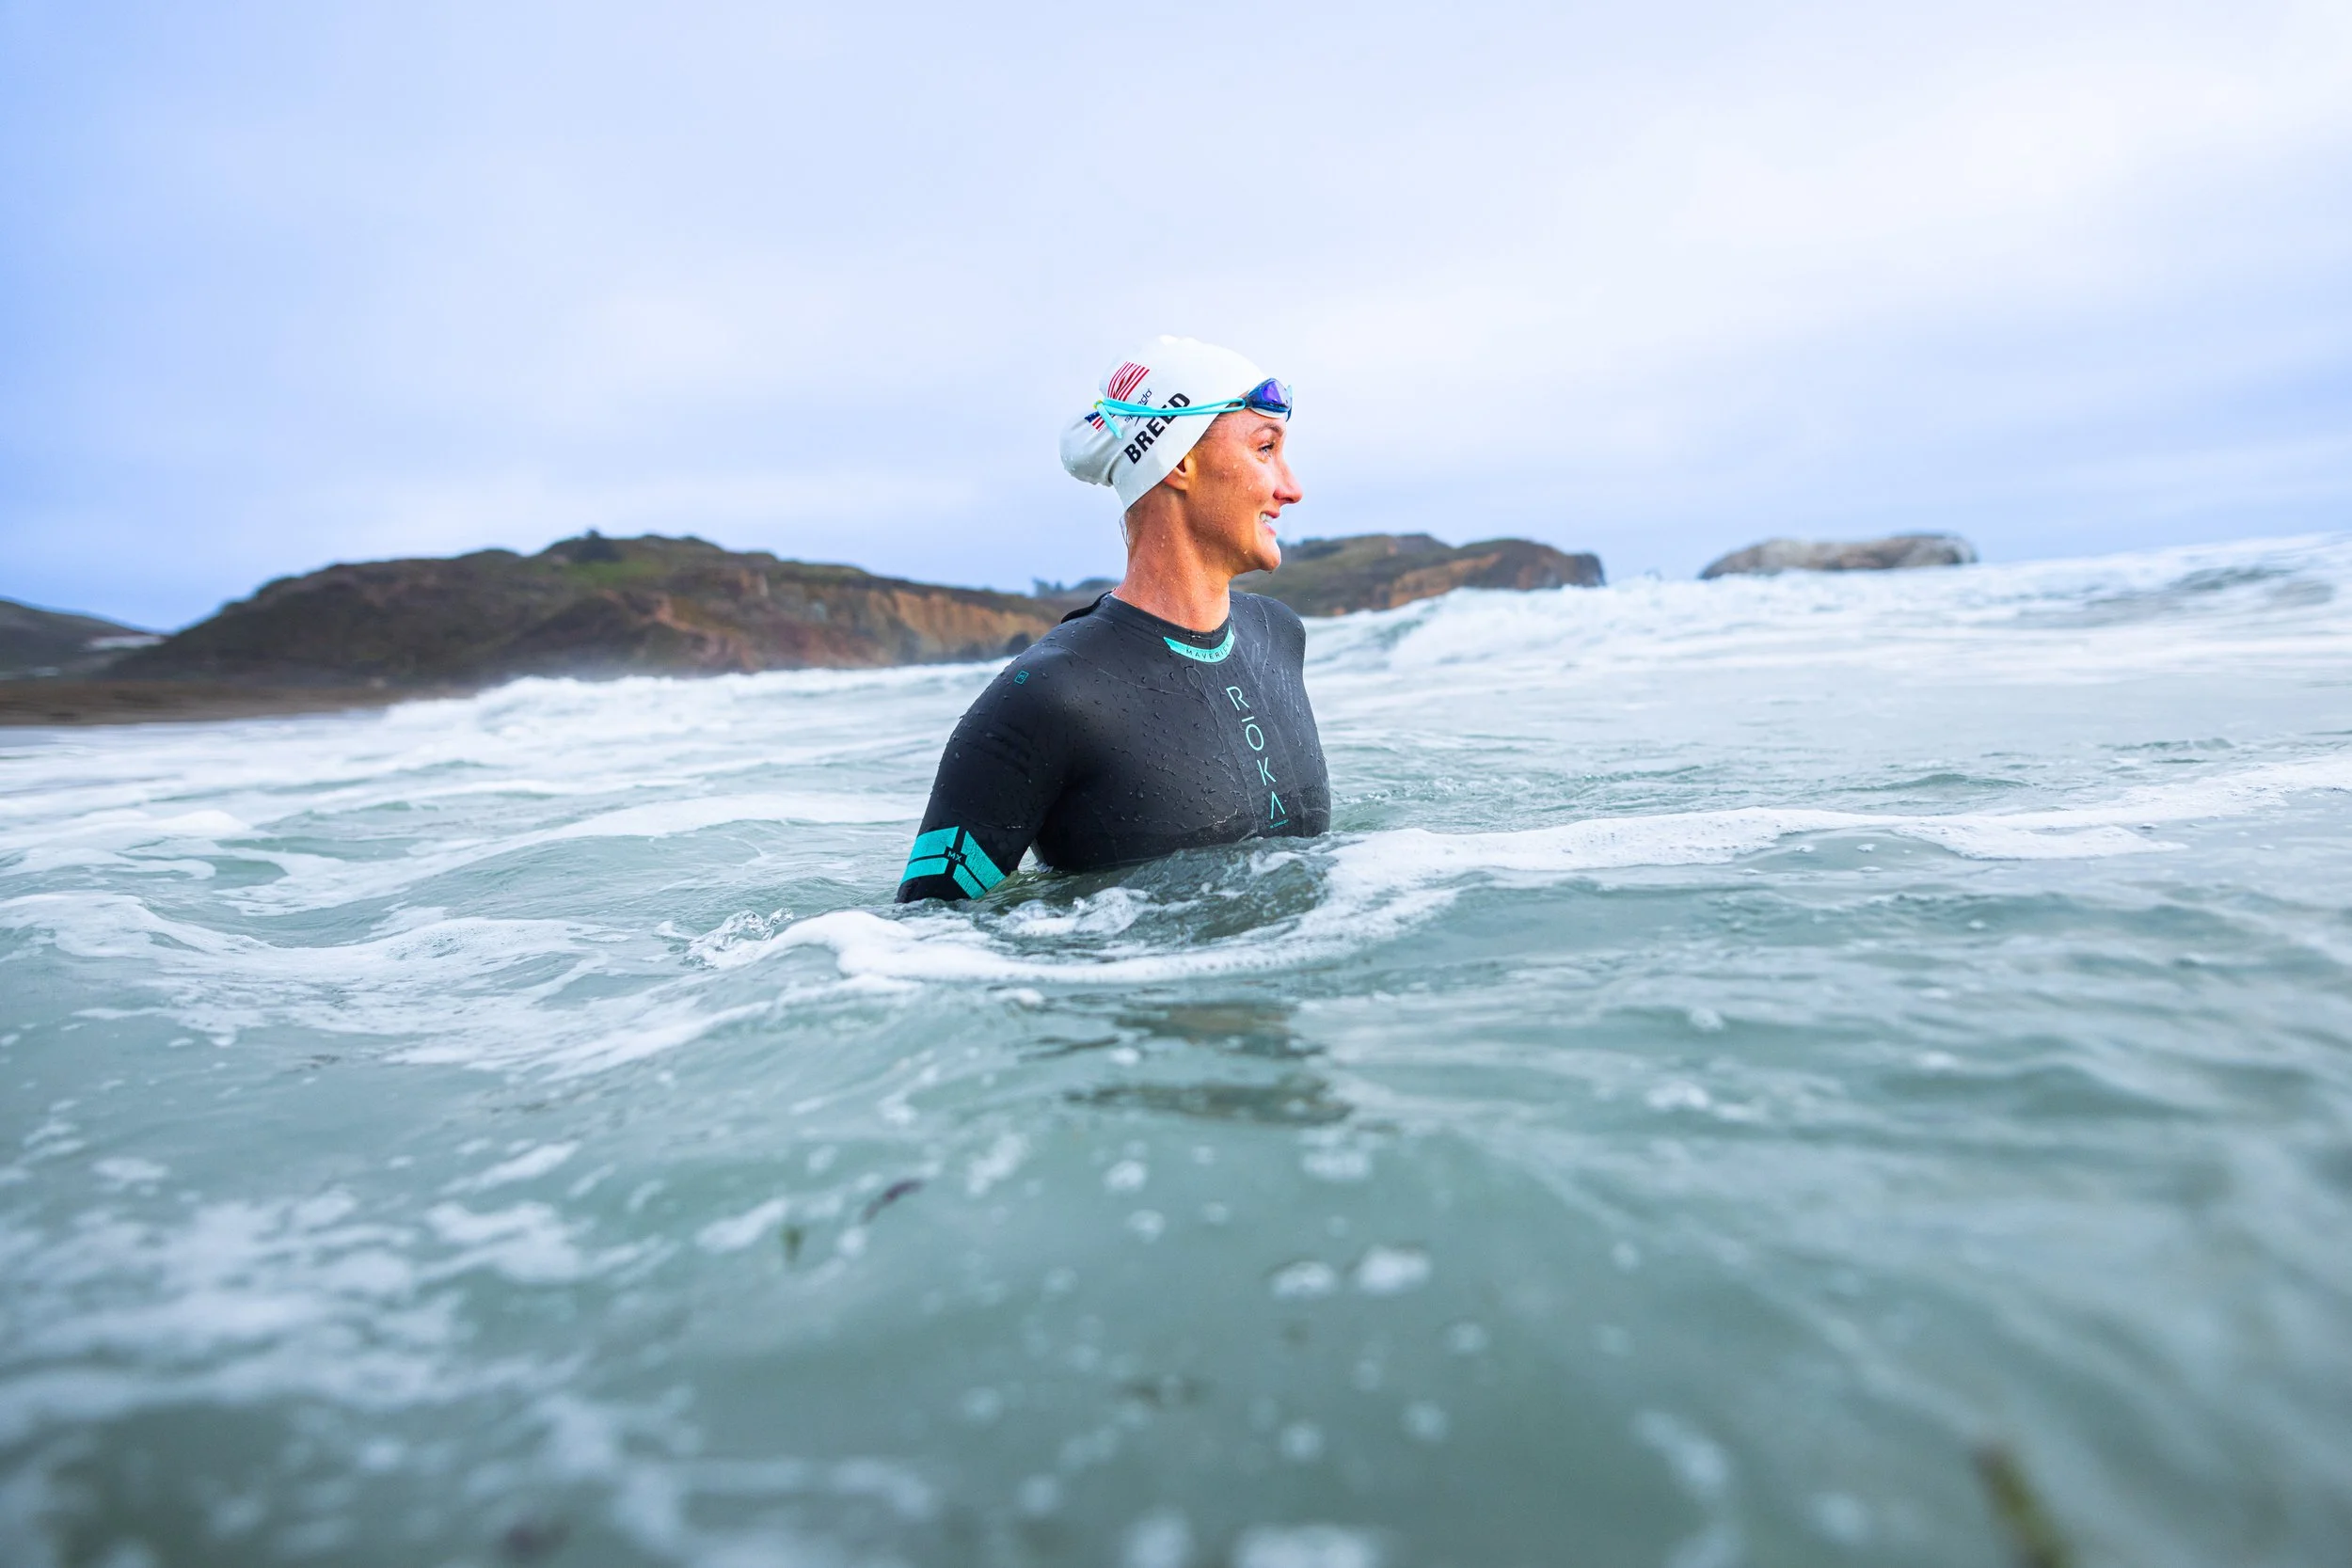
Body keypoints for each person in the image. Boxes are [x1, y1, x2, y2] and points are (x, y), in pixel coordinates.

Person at [896, 336, 1331, 902]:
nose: (1291, 489)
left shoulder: (1276, 636)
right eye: (1265, 448)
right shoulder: (1049, 696)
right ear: (1178, 463)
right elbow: (924, 938)